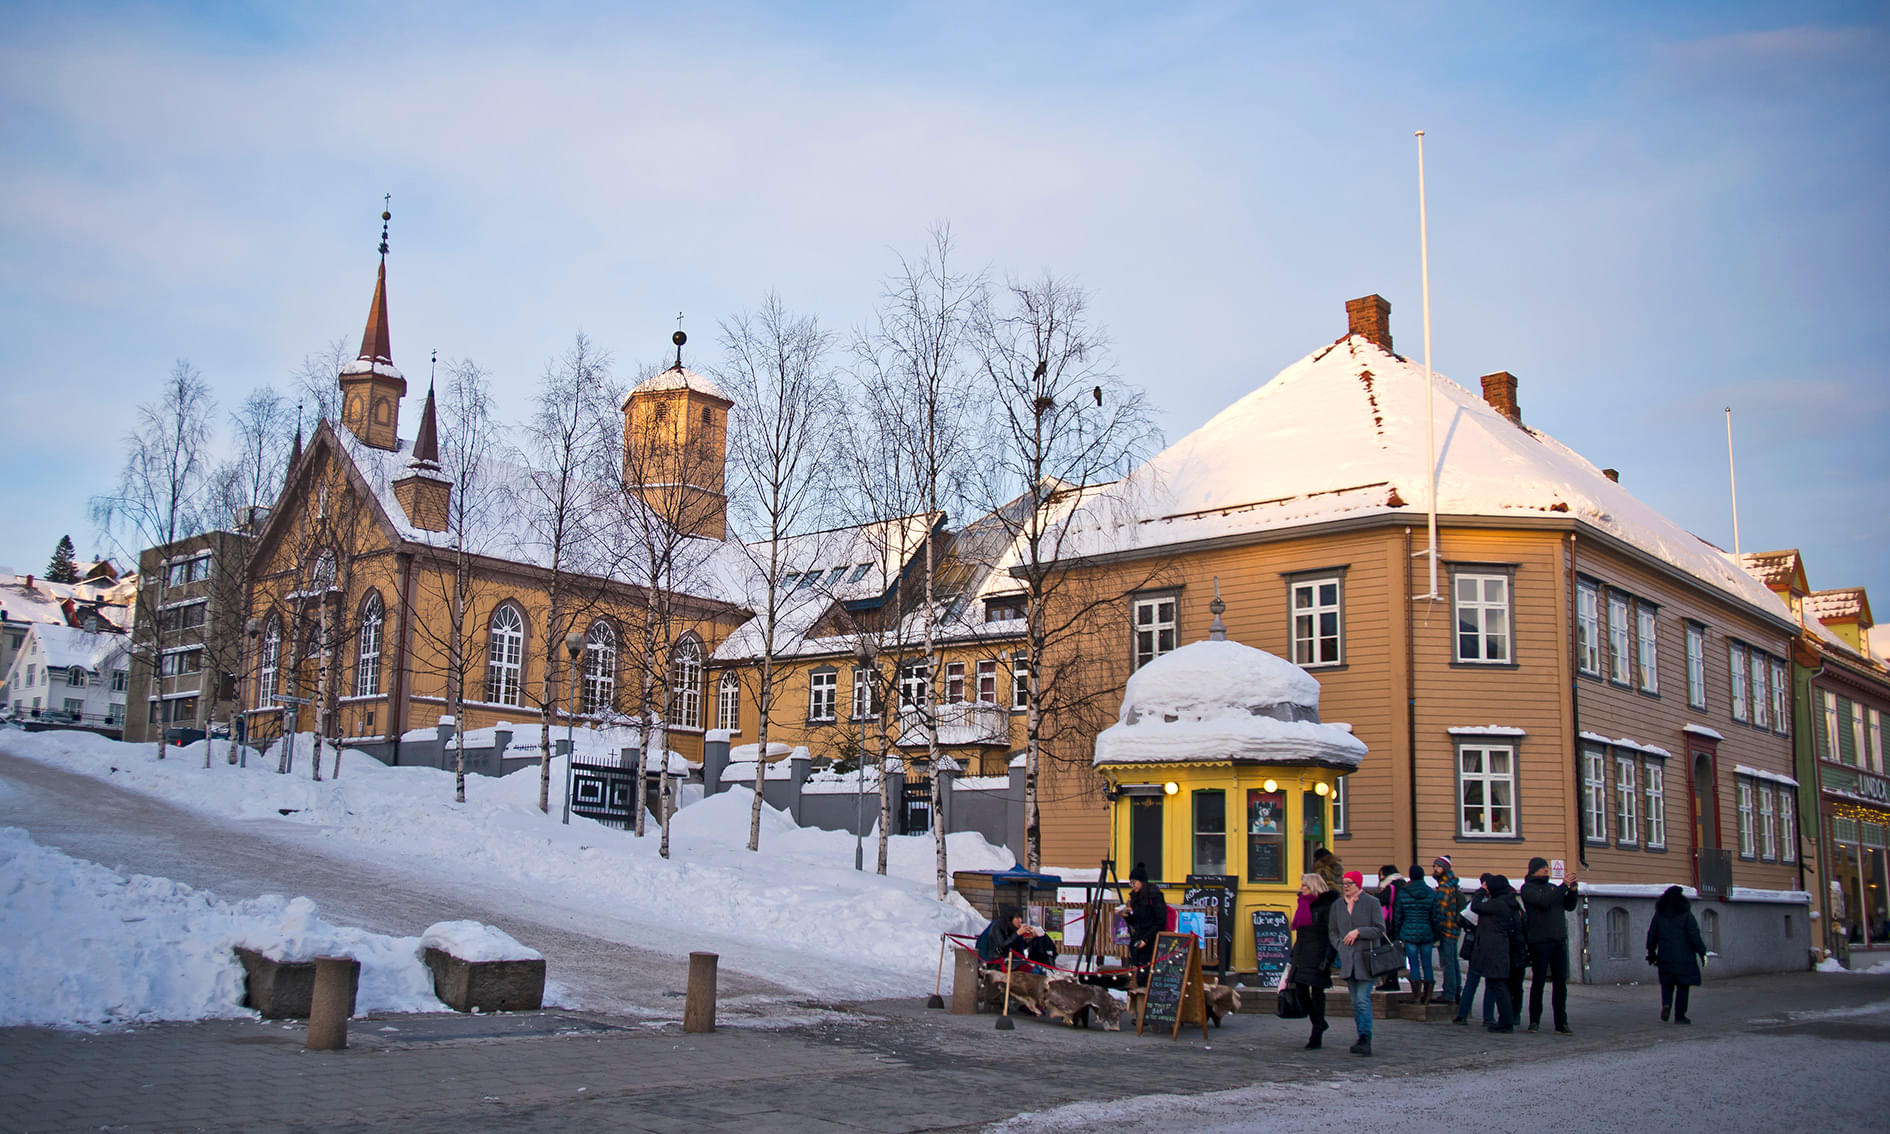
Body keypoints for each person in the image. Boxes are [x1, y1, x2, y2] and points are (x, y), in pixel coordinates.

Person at [1329, 870, 1387, 1056]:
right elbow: (1332, 930)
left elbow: (1379, 929)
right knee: (1355, 1002)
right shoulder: (1338, 905)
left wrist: (1359, 932)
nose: (1346, 886)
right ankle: (1360, 1035)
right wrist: (1339, 946)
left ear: (1358, 884)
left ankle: (1365, 1037)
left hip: (1366, 959)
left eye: (1350, 883)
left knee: (1363, 1000)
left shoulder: (1372, 903)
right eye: (1344, 883)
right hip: (1348, 960)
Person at [1520, 856, 1579, 1035]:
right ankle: (1534, 1020)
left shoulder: (1552, 888)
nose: (1547, 870)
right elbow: (1543, 901)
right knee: (1538, 982)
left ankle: (1561, 1022)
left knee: (1560, 983)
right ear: (1534, 870)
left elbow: (1568, 906)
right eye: (1543, 868)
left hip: (1558, 940)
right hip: (1540, 941)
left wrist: (1572, 891)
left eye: (1547, 867)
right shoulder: (1528, 889)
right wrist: (1562, 887)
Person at [1290, 873, 1338, 1049]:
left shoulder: (1326, 906)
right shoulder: (1303, 904)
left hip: (1319, 954)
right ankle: (1318, 1021)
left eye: (1305, 886)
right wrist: (1294, 954)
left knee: (1318, 995)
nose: (1301, 888)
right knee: (1300, 992)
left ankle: (1316, 1032)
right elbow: (1300, 932)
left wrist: (1328, 957)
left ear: (1314, 887)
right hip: (1303, 954)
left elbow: (1332, 933)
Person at [1646, 885, 1707, 1024]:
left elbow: (1652, 935)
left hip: (1665, 956)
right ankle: (1680, 1016)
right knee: (1683, 986)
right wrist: (1702, 952)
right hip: (1684, 958)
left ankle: (1666, 1004)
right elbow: (1694, 935)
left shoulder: (1659, 915)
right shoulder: (1686, 915)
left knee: (1667, 984)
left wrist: (1651, 952)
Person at [1471, 874, 1522, 1032]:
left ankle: (1506, 1022)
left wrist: (1481, 890)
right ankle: (1506, 1020)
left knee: (1499, 985)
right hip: (1499, 948)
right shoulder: (1508, 902)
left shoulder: (1498, 904)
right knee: (1498, 984)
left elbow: (1475, 906)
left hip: (1495, 950)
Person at [1392, 863, 1438, 1003]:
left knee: (1414, 964)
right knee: (1427, 964)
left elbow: (1398, 916)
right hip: (1427, 932)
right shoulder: (1431, 892)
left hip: (1408, 932)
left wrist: (1398, 933)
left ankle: (1417, 996)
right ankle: (1428, 996)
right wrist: (1436, 934)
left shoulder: (1403, 893)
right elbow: (1435, 916)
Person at [1451, 874, 1491, 1026]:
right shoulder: (1491, 902)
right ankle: (1487, 1018)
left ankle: (1462, 1015)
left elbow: (1463, 919)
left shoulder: (1476, 901)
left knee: (1472, 982)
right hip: (1485, 946)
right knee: (1490, 983)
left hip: (1475, 945)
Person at [1121, 863, 1168, 983]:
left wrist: (1146, 939)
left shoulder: (1154, 896)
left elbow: (1160, 921)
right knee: (1140, 972)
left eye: (1134, 882)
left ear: (1142, 882)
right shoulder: (1135, 898)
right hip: (1139, 938)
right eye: (1131, 883)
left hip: (1152, 939)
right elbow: (1137, 921)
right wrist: (1127, 917)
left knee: (1149, 974)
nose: (1132, 886)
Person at [1431, 855, 1466, 1007]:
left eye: (1438, 867)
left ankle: (1449, 993)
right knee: (1452, 962)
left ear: (1445, 868)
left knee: (1447, 963)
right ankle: (1456, 990)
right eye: (1434, 866)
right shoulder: (1451, 884)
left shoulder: (1445, 886)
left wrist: (1435, 925)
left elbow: (1440, 908)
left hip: (1446, 928)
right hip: (1453, 928)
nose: (1435, 869)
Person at [1374, 865, 1407, 991]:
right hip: (1397, 924)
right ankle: (1393, 980)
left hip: (1389, 924)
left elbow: (1379, 901)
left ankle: (1390, 981)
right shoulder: (1401, 885)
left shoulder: (1390, 887)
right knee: (1393, 952)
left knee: (1387, 953)